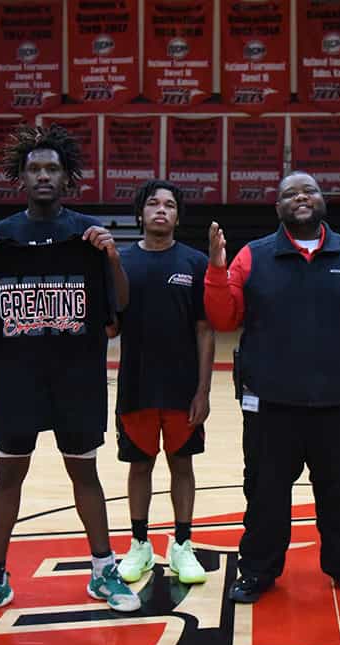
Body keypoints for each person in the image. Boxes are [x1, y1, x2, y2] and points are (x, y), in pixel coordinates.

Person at [0, 124, 138, 621]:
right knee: (7, 476)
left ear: (67, 177)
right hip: (15, 378)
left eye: (51, 168)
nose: (42, 175)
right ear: (21, 176)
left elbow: (118, 309)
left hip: (77, 376)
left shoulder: (88, 236)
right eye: (34, 168)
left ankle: (104, 569)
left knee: (86, 474)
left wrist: (113, 255)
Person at [205, 171, 340, 603]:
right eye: (290, 193)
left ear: (322, 201)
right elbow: (224, 319)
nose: (300, 197)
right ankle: (257, 570)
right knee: (264, 494)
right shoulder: (252, 257)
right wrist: (217, 272)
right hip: (271, 406)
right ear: (277, 208)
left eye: (309, 190)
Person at [114, 180, 214, 586]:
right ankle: (140, 544)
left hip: (181, 386)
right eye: (153, 203)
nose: (161, 210)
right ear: (140, 214)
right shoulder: (120, 263)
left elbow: (206, 330)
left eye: (169, 205)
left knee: (181, 465)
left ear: (177, 216)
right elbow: (109, 326)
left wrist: (203, 390)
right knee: (140, 466)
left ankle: (182, 544)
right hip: (135, 384)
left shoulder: (194, 262)